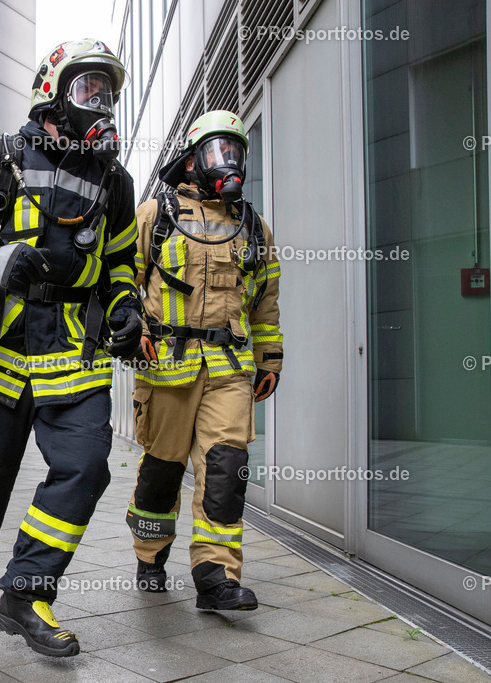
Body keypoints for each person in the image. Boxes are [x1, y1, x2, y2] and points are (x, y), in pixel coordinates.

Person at [0, 38, 141, 657]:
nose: (102, 103)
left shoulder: (114, 183)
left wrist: (124, 305)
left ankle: (26, 594)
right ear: (53, 91)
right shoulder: (0, 161)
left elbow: (122, 262)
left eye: (108, 93)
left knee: (88, 467)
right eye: (88, 89)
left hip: (74, 359)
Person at [126, 110, 283, 611]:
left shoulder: (253, 227)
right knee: (162, 471)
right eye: (219, 151)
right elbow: (122, 283)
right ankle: (150, 555)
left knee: (225, 470)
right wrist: (131, 332)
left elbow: (265, 302)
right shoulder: (155, 214)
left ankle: (215, 577)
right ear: (193, 160)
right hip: (166, 368)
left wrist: (270, 358)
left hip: (230, 370)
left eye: (236, 151)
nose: (228, 162)